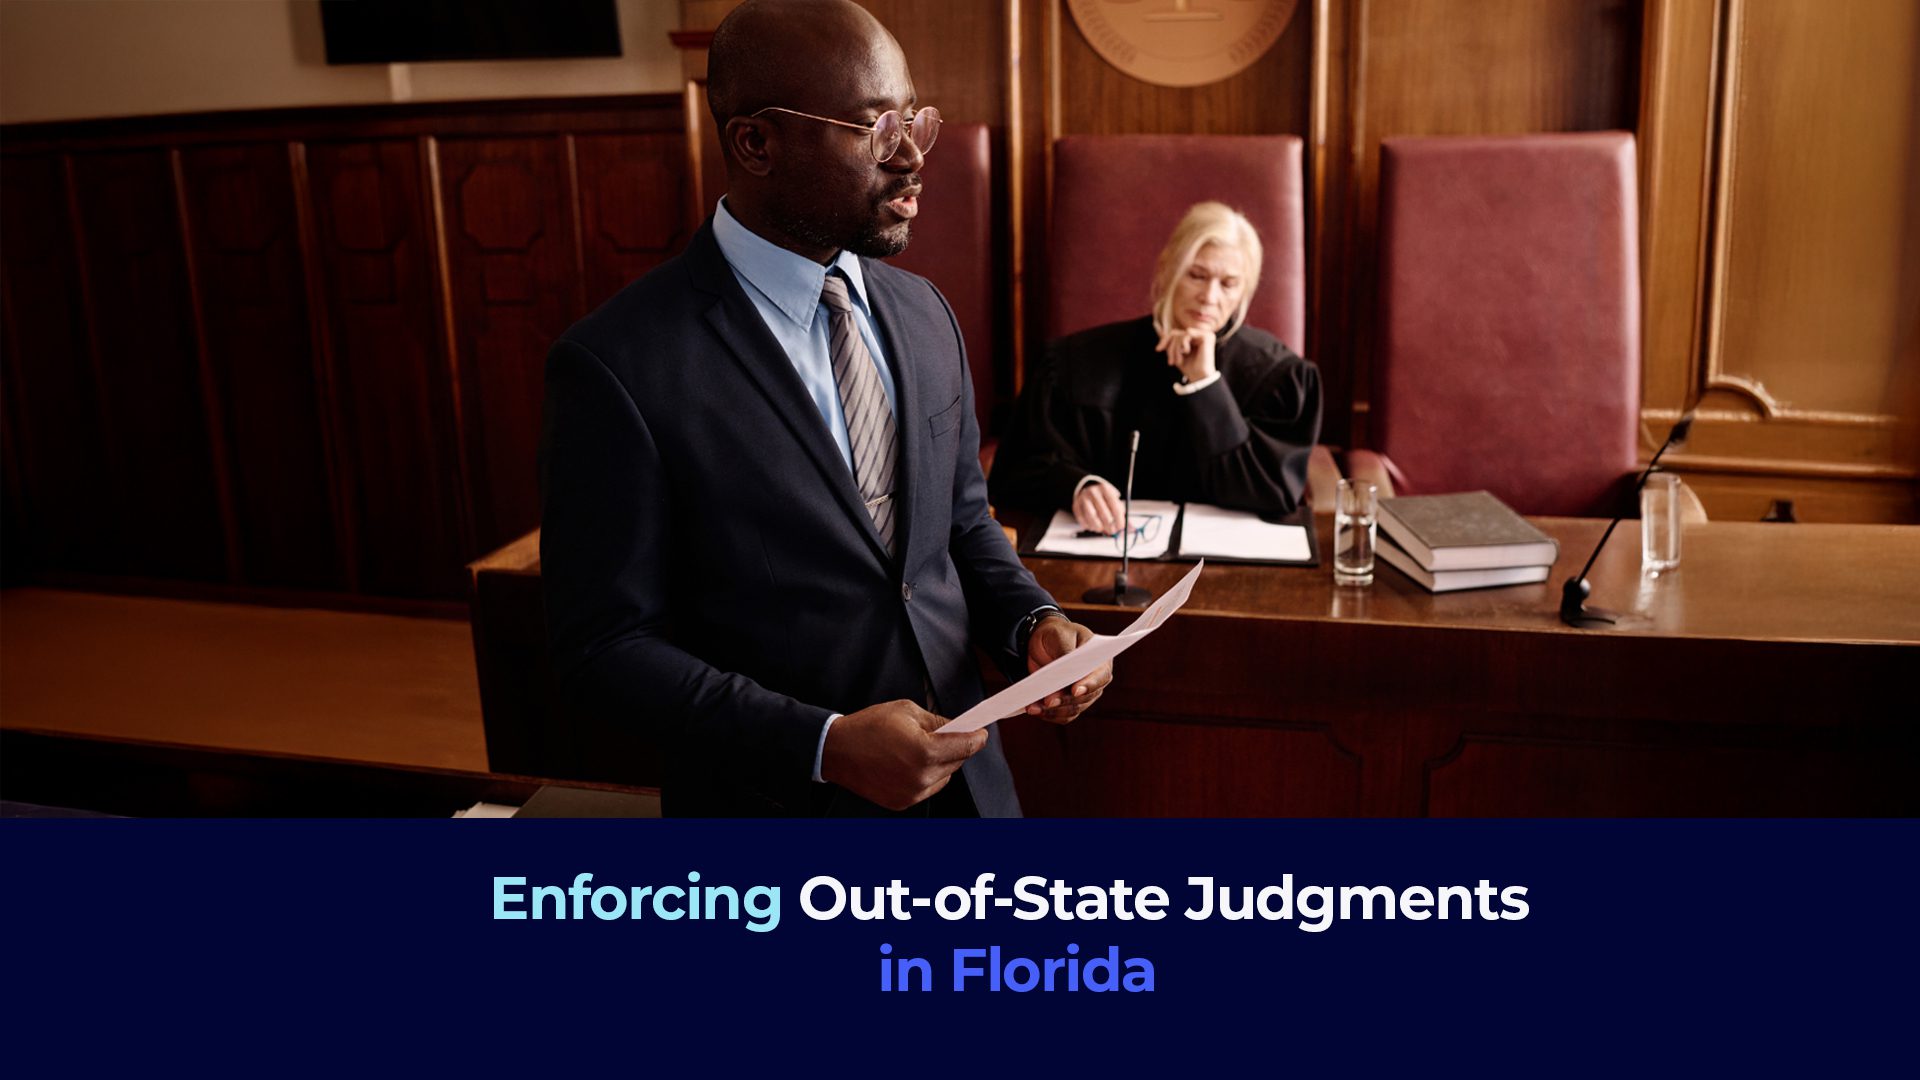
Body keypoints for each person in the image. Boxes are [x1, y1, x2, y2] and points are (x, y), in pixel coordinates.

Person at [538, 0, 1109, 817]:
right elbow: (603, 649)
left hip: (972, 798)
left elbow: (960, 526)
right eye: (877, 128)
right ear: (756, 143)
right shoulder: (616, 365)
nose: (913, 156)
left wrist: (1034, 623)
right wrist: (823, 745)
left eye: (913, 119)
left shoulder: (925, 314)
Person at [989, 202, 1323, 532]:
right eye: (1197, 275)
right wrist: (1077, 487)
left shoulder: (1278, 376)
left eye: (1228, 283)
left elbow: (1273, 492)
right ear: (1167, 270)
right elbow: (1014, 471)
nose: (1209, 296)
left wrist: (1205, 385)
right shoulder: (1074, 362)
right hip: (1101, 563)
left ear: (1244, 292)